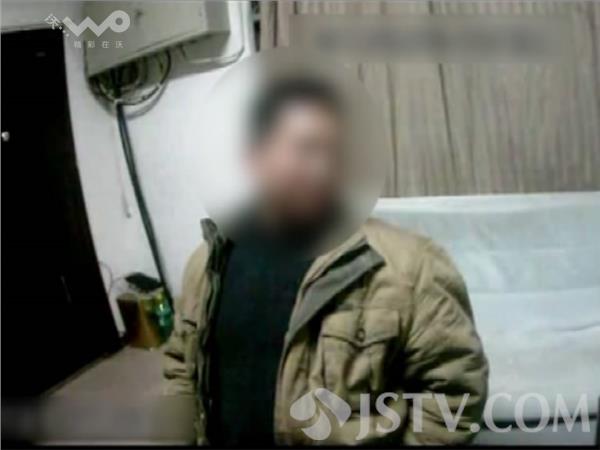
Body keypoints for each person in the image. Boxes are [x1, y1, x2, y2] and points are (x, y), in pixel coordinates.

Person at [163, 76, 488, 446]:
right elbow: (181, 368)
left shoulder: (410, 268)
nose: (324, 169)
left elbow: (454, 397)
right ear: (254, 158)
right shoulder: (207, 263)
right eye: (306, 149)